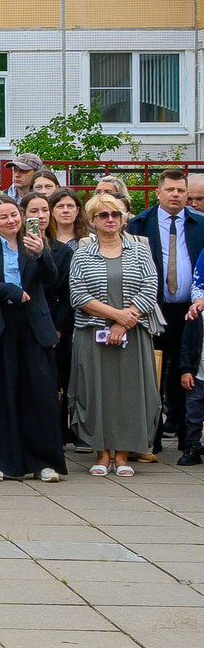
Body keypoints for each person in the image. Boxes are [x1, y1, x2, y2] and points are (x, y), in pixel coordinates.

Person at [0, 194, 66, 483]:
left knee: (40, 394)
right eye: (3, 217)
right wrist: (11, 291)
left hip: (34, 326)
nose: (11, 221)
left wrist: (42, 255)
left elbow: (54, 282)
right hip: (0, 326)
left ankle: (44, 462)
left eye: (14, 215)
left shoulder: (36, 243)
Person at [67, 193, 160, 478]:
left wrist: (124, 321)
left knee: (130, 393)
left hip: (134, 334)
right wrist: (113, 316)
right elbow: (78, 294)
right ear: (92, 221)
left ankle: (123, 454)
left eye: (115, 215)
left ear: (123, 219)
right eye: (103, 215)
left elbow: (150, 287)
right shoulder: (82, 253)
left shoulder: (140, 250)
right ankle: (101, 453)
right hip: (92, 333)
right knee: (95, 391)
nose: (110, 220)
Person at [126, 167, 204, 463]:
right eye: (170, 190)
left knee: (188, 372)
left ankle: (189, 439)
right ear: (158, 192)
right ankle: (150, 438)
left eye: (181, 190)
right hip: (152, 307)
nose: (176, 195)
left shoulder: (200, 224)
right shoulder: (139, 224)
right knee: (151, 372)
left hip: (190, 310)